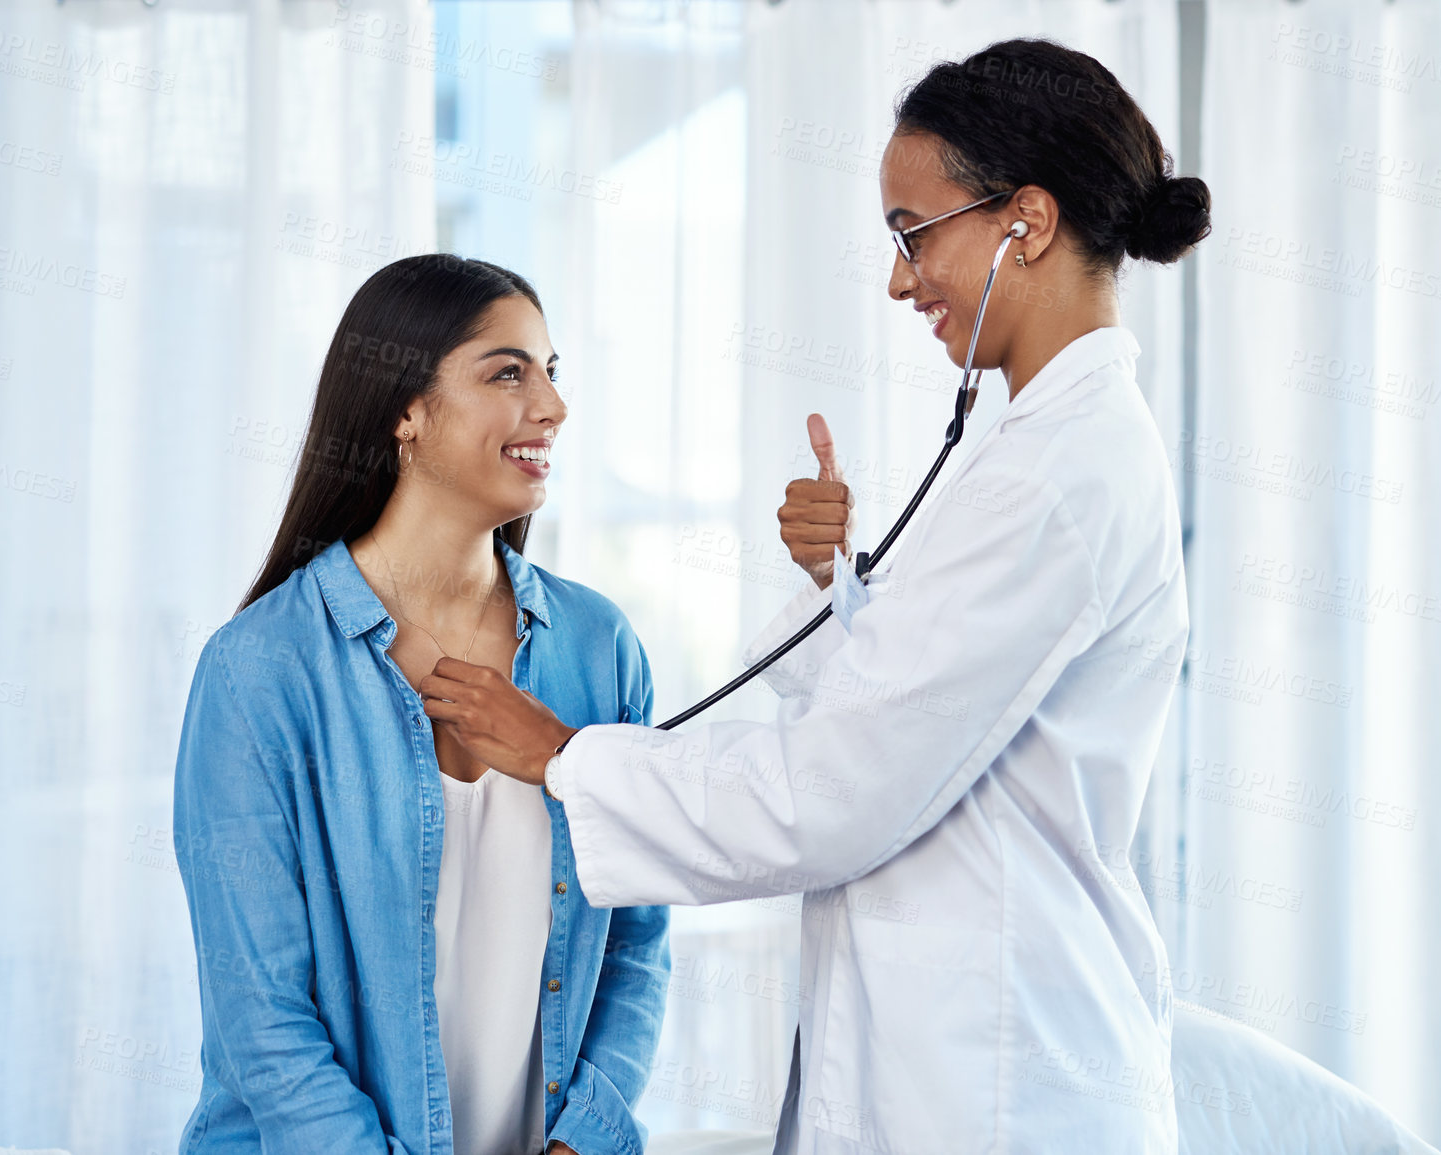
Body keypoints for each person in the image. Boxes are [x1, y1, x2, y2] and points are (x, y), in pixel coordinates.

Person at [417, 39, 1209, 1155]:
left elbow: (839, 791)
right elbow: (915, 724)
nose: (900, 279)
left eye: (912, 233)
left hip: (1002, 1090)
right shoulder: (1033, 449)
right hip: (960, 1057)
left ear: (1023, 220)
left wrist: (565, 755)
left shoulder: (1058, 476)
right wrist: (835, 588)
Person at [172, 255, 669, 1155]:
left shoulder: (600, 648)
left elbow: (638, 940)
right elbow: (262, 1012)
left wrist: (579, 1142)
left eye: (552, 372)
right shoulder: (259, 672)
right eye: (507, 372)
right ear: (405, 409)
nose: (551, 406)